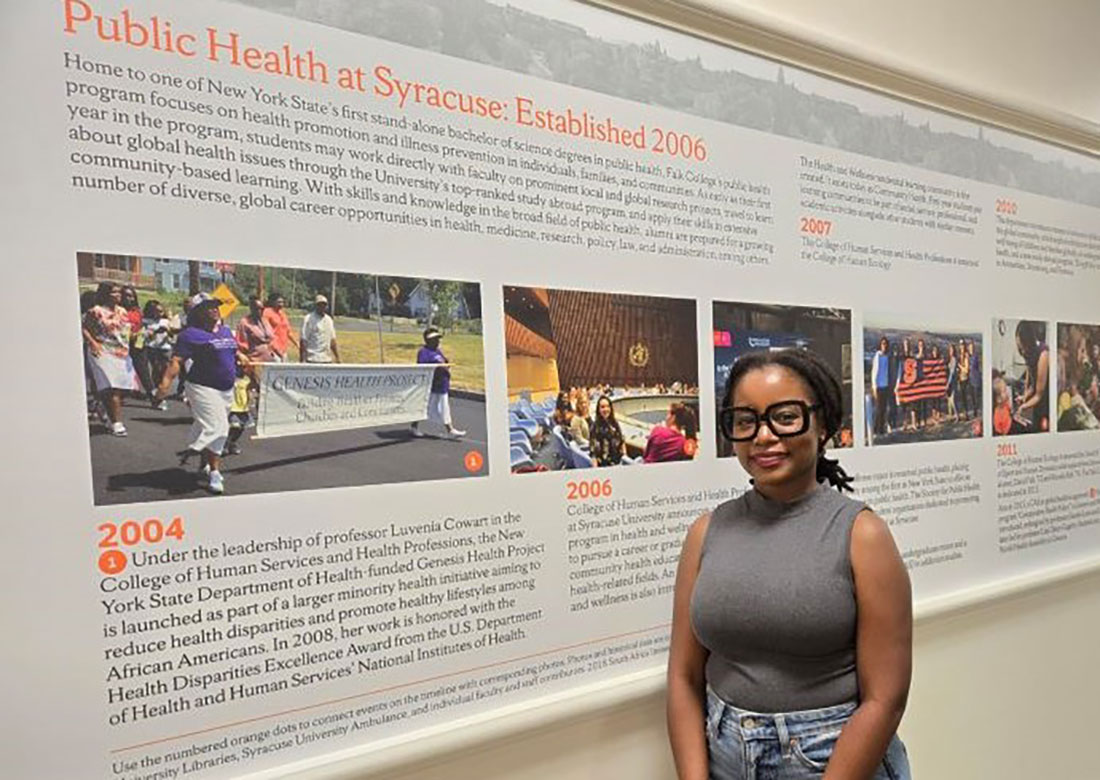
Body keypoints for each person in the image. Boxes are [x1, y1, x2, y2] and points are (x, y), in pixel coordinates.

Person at [669, 349, 911, 780]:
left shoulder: (861, 535)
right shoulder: (707, 532)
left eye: (785, 416)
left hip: (833, 760)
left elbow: (885, 699)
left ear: (822, 426)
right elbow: (684, 678)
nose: (763, 436)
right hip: (724, 756)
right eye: (745, 420)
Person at [156, 294, 247, 495]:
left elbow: (232, 351)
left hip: (225, 389)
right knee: (219, 427)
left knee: (207, 427)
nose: (215, 309)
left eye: (216, 305)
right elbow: (176, 362)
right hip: (201, 387)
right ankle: (214, 473)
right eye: (209, 307)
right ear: (198, 312)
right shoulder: (190, 335)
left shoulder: (225, 331)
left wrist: (240, 356)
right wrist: (164, 385)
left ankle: (203, 463)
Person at [81, 282, 137, 436]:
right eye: (114, 292)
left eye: (119, 292)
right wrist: (92, 343)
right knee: (112, 387)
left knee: (123, 388)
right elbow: (84, 327)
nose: (118, 295)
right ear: (106, 294)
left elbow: (124, 330)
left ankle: (100, 404)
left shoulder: (122, 311)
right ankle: (116, 423)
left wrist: (134, 336)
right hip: (102, 350)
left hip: (121, 352)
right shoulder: (96, 311)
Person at [411, 327, 465, 438]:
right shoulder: (423, 352)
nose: (438, 341)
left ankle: (450, 430)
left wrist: (446, 364)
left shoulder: (437, 351)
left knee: (444, 407)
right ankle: (414, 427)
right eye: (435, 339)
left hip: (442, 384)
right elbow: (422, 367)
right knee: (424, 407)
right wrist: (436, 366)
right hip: (431, 385)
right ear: (428, 340)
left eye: (438, 339)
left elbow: (444, 361)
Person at [1012, 321, 1049, 433]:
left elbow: (1039, 394)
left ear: (1030, 342)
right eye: (1019, 348)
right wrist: (1024, 396)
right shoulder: (1027, 353)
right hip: (1038, 400)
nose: (1022, 352)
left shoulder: (1043, 355)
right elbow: (1032, 380)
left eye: (1023, 348)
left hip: (1046, 400)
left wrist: (1023, 407)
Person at [300, 294, 340, 363]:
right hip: (312, 358)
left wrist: (337, 357)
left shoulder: (329, 320)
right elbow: (304, 340)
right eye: (319, 305)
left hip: (326, 359)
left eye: (324, 305)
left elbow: (332, 340)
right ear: (316, 306)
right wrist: (302, 358)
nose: (322, 307)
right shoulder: (308, 319)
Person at [589, 395, 626, 467]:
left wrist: (625, 459)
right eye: (602, 407)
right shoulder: (595, 427)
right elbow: (593, 453)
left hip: (618, 464)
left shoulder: (615, 423)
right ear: (598, 410)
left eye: (608, 406)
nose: (606, 409)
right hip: (604, 467)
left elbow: (622, 442)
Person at [261, 293, 298, 361]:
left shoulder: (282, 314)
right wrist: (273, 347)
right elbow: (265, 332)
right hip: (272, 350)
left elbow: (288, 331)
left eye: (282, 302)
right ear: (273, 302)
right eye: (279, 302)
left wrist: (296, 344)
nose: (281, 304)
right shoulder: (267, 312)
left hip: (283, 349)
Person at [870, 337, 890, 438]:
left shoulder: (888, 356)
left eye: (886, 344)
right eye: (883, 343)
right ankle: (875, 430)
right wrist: (874, 387)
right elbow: (874, 372)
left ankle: (882, 430)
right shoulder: (877, 356)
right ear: (880, 345)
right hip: (878, 387)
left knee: (883, 409)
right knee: (878, 409)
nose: (884, 345)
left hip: (886, 386)